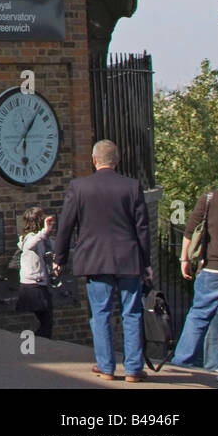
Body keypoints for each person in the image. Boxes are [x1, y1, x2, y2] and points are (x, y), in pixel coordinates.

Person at [53, 139, 152, 383]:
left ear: (94, 160)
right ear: (117, 161)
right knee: (132, 313)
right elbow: (143, 228)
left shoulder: (79, 187)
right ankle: (133, 369)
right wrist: (146, 261)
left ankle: (107, 367)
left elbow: (65, 225)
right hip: (129, 259)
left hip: (95, 260)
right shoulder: (132, 186)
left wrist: (60, 257)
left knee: (101, 314)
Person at [171, 157, 218, 370]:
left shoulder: (210, 198)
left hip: (213, 267)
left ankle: (182, 361)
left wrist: (184, 259)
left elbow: (190, 230)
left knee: (199, 316)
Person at [16, 206, 56, 339]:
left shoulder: (44, 240)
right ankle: (34, 346)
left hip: (40, 285)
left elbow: (56, 246)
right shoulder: (29, 238)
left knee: (47, 322)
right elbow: (30, 245)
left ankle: (36, 346)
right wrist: (44, 231)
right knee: (46, 323)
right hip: (33, 287)